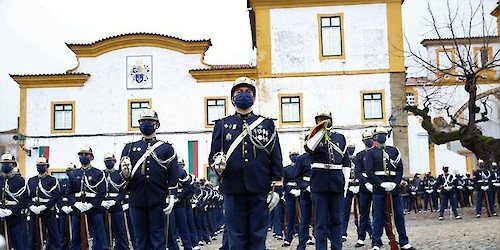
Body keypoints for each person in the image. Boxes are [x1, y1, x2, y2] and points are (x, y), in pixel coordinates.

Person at [208, 76, 283, 249]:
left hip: (260, 189)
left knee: (258, 239)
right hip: (232, 189)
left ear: (254, 97)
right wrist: (217, 162)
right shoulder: (222, 124)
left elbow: (276, 157)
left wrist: (277, 187)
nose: (244, 94)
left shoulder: (266, 124)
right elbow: (213, 155)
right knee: (236, 240)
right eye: (239, 92)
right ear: (232, 98)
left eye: (248, 91)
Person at [119, 108, 180, 249]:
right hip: (136, 199)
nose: (146, 124)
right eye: (143, 121)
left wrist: (172, 196)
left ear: (156, 125)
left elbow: (173, 174)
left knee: (158, 239)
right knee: (140, 241)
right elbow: (121, 176)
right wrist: (125, 173)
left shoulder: (166, 148)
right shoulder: (129, 148)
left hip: (158, 200)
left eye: (150, 121)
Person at [304, 109, 351, 250]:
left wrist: (345, 184)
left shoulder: (340, 138)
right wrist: (319, 132)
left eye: (326, 118)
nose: (323, 121)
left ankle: (337, 247)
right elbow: (309, 149)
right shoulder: (312, 136)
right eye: (320, 119)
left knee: (337, 220)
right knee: (321, 222)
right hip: (319, 182)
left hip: (337, 182)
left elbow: (346, 162)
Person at [365, 126, 415, 250]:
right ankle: (376, 243)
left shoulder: (394, 151)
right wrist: (380, 184)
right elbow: (369, 172)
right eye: (379, 135)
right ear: (375, 137)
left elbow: (400, 169)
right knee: (378, 216)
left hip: (394, 188)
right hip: (379, 188)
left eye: (383, 134)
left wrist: (395, 183)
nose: (381, 136)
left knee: (399, 215)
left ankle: (403, 241)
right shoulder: (371, 153)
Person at [65, 146, 108, 250]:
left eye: (86, 154)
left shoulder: (98, 173)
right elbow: (69, 193)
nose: (83, 156)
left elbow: (102, 192)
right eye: (81, 154)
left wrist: (92, 204)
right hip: (77, 209)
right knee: (75, 237)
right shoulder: (73, 174)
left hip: (94, 208)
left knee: (99, 237)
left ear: (91, 157)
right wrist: (75, 204)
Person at [27, 157, 62, 250]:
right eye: (38, 165)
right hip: (34, 210)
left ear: (47, 166)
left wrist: (45, 206)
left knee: (53, 235)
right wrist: (31, 206)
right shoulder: (31, 180)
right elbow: (27, 197)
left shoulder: (52, 180)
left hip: (48, 211)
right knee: (32, 235)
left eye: (42, 165)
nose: (40, 167)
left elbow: (55, 196)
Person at [0, 153, 29, 250]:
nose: (5, 165)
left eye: (8, 163)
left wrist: (11, 211)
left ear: (14, 165)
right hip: (0, 216)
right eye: (3, 163)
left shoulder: (20, 181)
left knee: (18, 245)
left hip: (15, 217)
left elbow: (24, 200)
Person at [101, 152, 128, 249]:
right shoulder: (101, 174)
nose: (108, 162)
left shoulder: (119, 175)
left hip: (116, 205)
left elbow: (123, 191)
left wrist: (116, 201)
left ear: (114, 162)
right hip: (103, 205)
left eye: (110, 161)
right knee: (103, 230)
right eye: (107, 161)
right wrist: (102, 201)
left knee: (120, 230)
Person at [353, 130, 374, 248]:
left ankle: (377, 236)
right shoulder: (360, 155)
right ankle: (361, 237)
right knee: (364, 214)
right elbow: (357, 171)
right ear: (363, 141)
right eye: (366, 139)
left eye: (370, 138)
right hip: (365, 187)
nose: (368, 141)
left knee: (380, 213)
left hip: (376, 185)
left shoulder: (378, 152)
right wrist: (365, 183)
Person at [282, 149, 301, 247]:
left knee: (303, 217)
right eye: (293, 154)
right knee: (289, 217)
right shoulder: (286, 169)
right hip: (290, 194)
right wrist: (289, 190)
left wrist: (300, 189)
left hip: (300, 193)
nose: (295, 156)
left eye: (296, 154)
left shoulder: (301, 168)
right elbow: (284, 182)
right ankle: (288, 238)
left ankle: (305, 237)